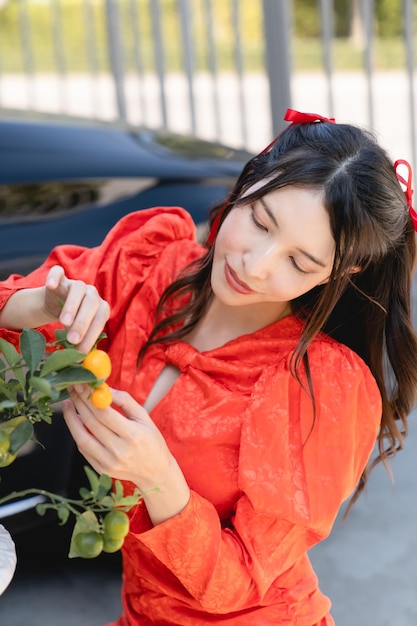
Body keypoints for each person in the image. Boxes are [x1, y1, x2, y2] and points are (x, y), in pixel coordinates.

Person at [0, 109, 416, 626]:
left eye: (299, 263)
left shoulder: (318, 385)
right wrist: (40, 305)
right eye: (260, 221)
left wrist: (158, 478)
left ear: (341, 271)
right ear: (249, 179)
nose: (254, 264)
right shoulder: (148, 265)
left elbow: (239, 583)